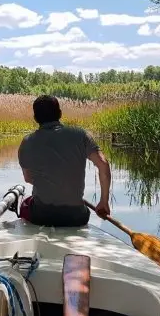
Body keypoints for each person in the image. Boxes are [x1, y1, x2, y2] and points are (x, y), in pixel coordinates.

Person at [17, 95, 111, 227]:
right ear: (60, 114)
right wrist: (104, 201)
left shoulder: (27, 142)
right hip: (76, 217)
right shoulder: (81, 134)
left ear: (35, 118)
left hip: (41, 216)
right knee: (79, 211)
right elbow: (103, 164)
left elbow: (28, 179)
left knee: (25, 204)